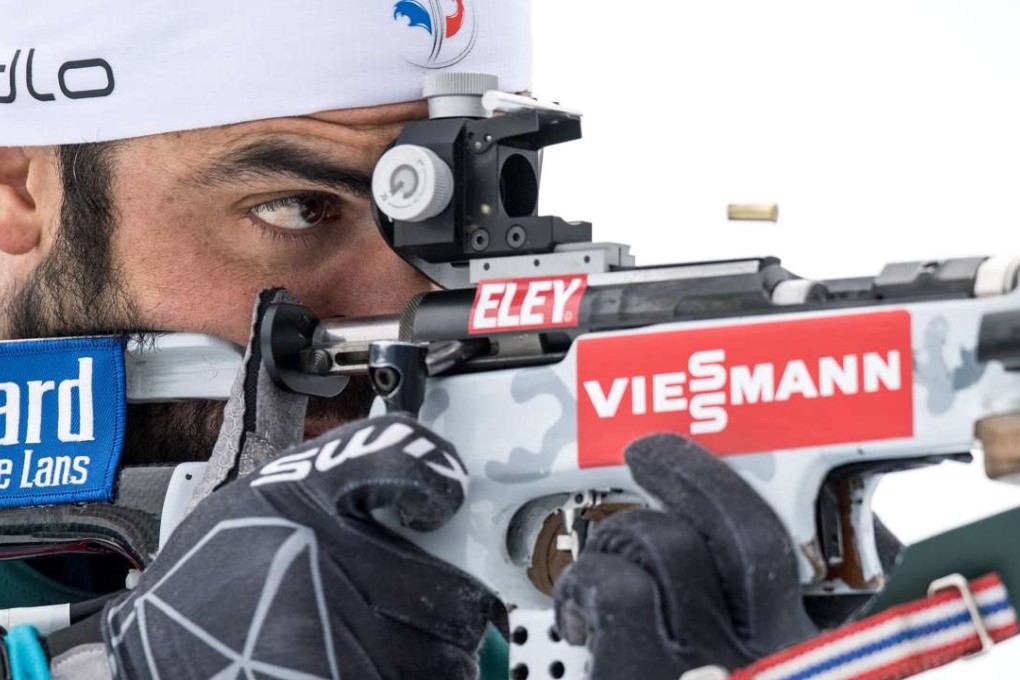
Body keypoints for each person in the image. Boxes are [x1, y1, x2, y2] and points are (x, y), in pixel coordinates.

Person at [0, 3, 896, 679]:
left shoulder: (475, 613)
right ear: (20, 188)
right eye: (296, 208)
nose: (414, 314)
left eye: (462, 225)